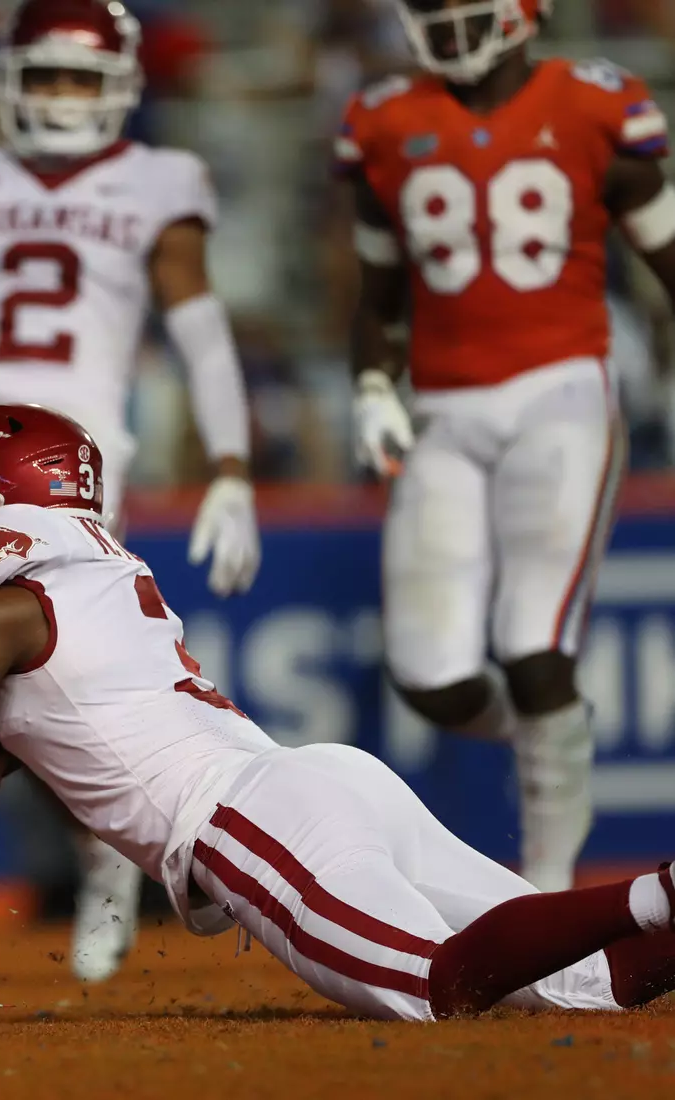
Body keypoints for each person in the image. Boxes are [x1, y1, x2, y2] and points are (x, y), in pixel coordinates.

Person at [0, 403, 675, 1022]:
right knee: (589, 984)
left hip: (243, 818)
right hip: (321, 782)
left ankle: (662, 890)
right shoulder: (98, 574)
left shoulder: (6, 609)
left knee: (433, 986)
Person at [0, 0, 259, 985]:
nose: (63, 96)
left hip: (74, 458)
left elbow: (199, 331)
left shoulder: (159, 180)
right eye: (46, 75)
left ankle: (87, 872)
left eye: (81, 77)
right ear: (9, 77)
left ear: (117, 85)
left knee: (33, 679)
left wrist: (233, 464)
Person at [339, 0, 675, 890]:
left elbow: (669, 259)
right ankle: (551, 728)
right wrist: (373, 384)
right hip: (443, 408)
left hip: (561, 394)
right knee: (431, 678)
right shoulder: (384, 119)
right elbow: (379, 295)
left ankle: (548, 886)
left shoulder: (595, 103)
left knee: (535, 646)